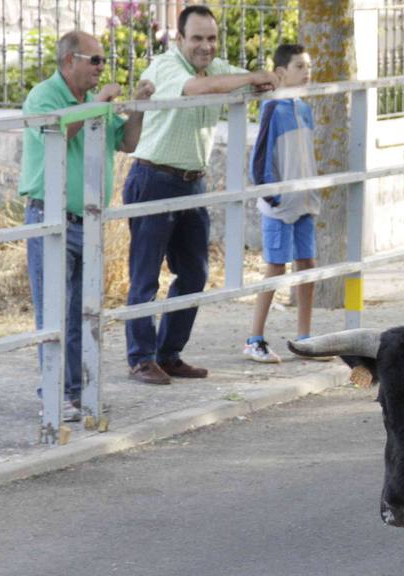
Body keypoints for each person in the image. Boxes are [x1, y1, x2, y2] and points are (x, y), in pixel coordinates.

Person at [123, 4, 278, 385]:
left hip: (193, 181)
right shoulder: (166, 66)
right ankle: (141, 358)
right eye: (197, 38)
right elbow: (196, 88)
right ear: (179, 39)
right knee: (145, 276)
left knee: (194, 273)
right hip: (154, 178)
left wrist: (263, 79)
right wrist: (251, 76)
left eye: (211, 38)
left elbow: (250, 83)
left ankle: (169, 353)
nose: (205, 46)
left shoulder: (216, 68)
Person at [19, 31, 154, 421]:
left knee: (84, 311)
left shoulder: (94, 101)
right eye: (94, 60)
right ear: (69, 61)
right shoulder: (44, 96)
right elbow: (57, 134)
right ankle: (53, 393)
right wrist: (97, 105)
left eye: (103, 60)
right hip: (52, 218)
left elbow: (126, 143)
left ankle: (78, 391)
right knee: (54, 312)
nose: (101, 67)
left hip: (89, 221)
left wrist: (138, 109)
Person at [244, 43, 322, 364]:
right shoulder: (272, 109)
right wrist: (274, 196)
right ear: (281, 72)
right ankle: (255, 338)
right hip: (280, 206)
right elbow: (260, 161)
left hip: (304, 202)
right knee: (276, 268)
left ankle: (305, 337)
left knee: (307, 265)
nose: (307, 72)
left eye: (308, 66)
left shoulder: (303, 108)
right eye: (299, 66)